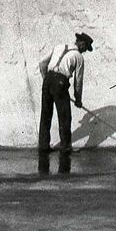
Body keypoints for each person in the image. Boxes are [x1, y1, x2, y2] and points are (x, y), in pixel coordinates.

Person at [38, 32, 92, 174]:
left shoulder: (60, 46)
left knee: (46, 114)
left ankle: (43, 146)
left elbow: (42, 63)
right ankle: (66, 147)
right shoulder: (79, 57)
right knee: (65, 116)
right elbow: (78, 80)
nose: (85, 51)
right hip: (61, 82)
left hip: (48, 80)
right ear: (81, 43)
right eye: (86, 47)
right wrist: (78, 99)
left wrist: (46, 79)